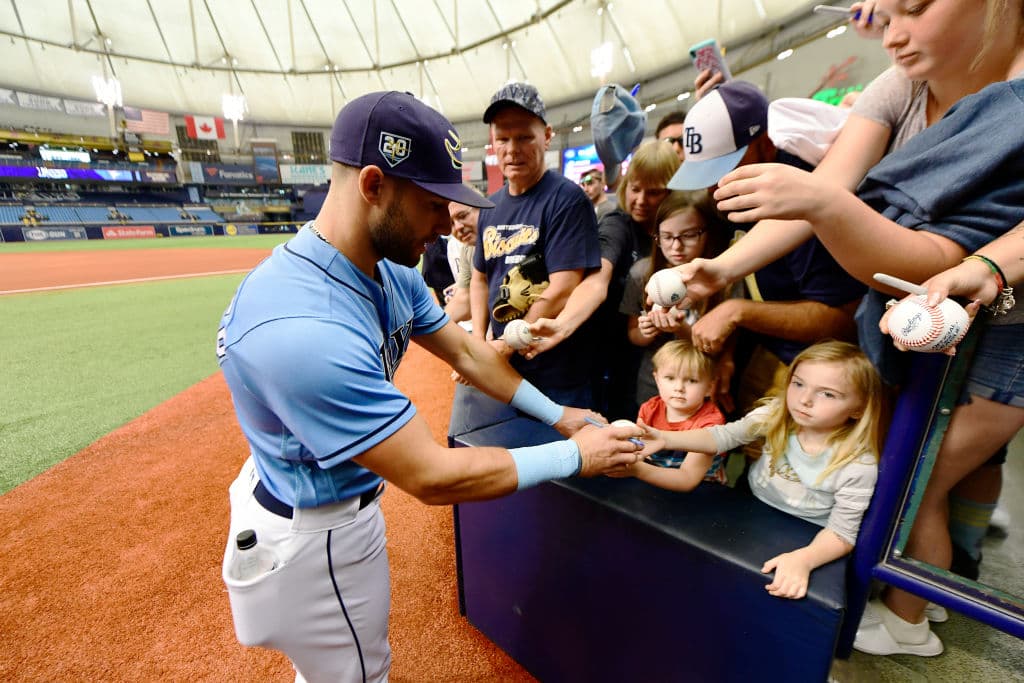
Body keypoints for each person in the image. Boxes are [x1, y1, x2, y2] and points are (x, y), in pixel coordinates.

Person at [216, 91, 645, 683]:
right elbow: (431, 475)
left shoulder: (386, 267)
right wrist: (578, 454)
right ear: (373, 186)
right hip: (313, 536)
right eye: (432, 203)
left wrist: (560, 416)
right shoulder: (299, 328)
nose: (449, 224)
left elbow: (469, 351)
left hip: (326, 501)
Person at [711, 34, 1024, 656]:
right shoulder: (900, 82)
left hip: (999, 333)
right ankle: (922, 603)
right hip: (935, 315)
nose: (894, 31)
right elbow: (833, 193)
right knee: (919, 481)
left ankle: (909, 622)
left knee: (917, 485)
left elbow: (912, 242)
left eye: (915, 7)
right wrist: (720, 270)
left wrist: (987, 269)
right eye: (887, 11)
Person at [667, 80, 866, 413]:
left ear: (762, 143)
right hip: (770, 350)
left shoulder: (806, 188)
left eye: (723, 167)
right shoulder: (743, 188)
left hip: (822, 370)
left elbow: (844, 319)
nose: (714, 184)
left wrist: (737, 313)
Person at [634, 340, 886, 600]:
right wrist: (666, 438)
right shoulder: (776, 414)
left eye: (828, 394)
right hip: (753, 504)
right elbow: (723, 436)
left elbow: (842, 533)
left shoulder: (859, 464)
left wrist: (805, 560)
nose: (805, 399)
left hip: (808, 530)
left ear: (858, 408)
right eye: (798, 384)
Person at [469, 82, 603, 407]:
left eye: (524, 137)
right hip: (504, 367)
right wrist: (478, 343)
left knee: (568, 454)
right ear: (492, 143)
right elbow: (480, 277)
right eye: (502, 139)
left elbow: (564, 286)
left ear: (546, 135)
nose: (512, 149)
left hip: (555, 372)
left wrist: (507, 344)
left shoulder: (566, 199)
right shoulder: (490, 206)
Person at [523, 140, 679, 418]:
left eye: (654, 192)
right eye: (635, 189)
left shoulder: (679, 225)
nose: (641, 201)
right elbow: (598, 278)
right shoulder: (617, 223)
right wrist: (562, 325)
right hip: (612, 357)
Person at [620, 189, 726, 408]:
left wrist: (679, 328)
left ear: (707, 232)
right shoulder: (641, 274)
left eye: (688, 235)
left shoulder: (725, 277)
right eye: (667, 237)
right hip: (653, 387)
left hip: (702, 390)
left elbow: (719, 349)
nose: (676, 246)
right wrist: (648, 330)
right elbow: (634, 335)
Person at [611, 339, 727, 488]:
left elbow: (687, 479)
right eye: (670, 378)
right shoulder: (650, 408)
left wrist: (636, 469)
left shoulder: (711, 424)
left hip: (702, 491)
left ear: (710, 387)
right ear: (657, 380)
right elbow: (640, 451)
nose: (679, 387)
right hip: (653, 478)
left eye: (691, 380)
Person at [442, 196, 480, 325]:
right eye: (451, 223)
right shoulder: (467, 249)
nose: (458, 227)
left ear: (481, 208)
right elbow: (464, 298)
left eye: (463, 216)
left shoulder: (505, 239)